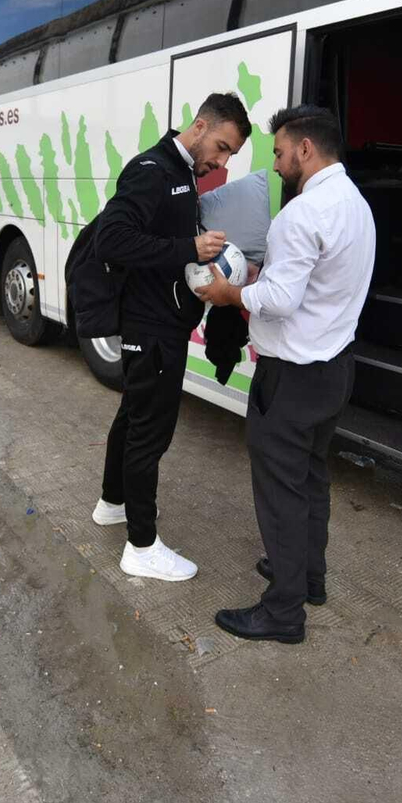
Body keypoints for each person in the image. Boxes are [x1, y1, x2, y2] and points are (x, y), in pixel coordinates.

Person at [194, 104, 375, 643]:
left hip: (292, 375)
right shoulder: (355, 204)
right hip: (334, 368)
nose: (273, 165)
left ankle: (283, 614)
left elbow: (279, 300)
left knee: (280, 491)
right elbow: (310, 283)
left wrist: (230, 291)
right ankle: (308, 577)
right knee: (311, 477)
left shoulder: (301, 213)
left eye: (277, 153)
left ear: (304, 149)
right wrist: (261, 272)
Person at [92, 93, 253, 580]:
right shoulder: (152, 170)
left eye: (229, 156)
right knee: (150, 433)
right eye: (221, 148)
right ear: (200, 126)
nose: (221, 162)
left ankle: (112, 503)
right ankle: (141, 547)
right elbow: (111, 239)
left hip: (161, 323)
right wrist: (188, 247)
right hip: (150, 327)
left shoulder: (181, 172)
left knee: (131, 417)